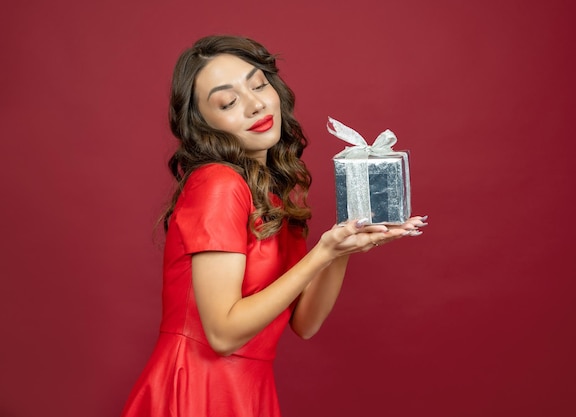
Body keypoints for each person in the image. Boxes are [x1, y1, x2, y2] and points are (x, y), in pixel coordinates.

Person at [120, 34, 427, 417]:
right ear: (203, 126)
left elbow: (306, 323)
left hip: (250, 391)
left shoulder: (276, 192)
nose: (254, 105)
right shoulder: (218, 184)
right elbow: (222, 334)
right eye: (228, 102)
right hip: (196, 391)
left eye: (258, 84)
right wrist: (323, 253)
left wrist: (343, 249)